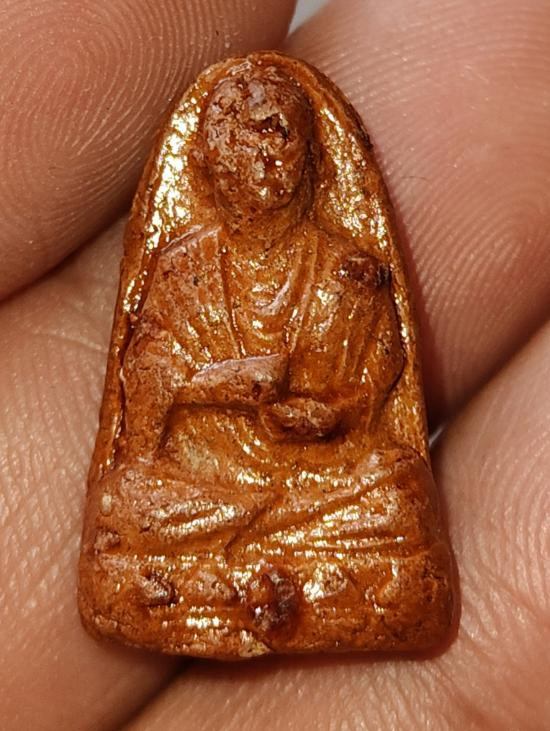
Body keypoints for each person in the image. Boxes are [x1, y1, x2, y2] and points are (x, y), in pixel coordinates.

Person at [1, 0, 548, 727]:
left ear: (311, 159)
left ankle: (233, 565)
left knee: (397, 488)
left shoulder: (346, 271)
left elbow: (379, 381)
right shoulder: (184, 268)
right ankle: (256, 551)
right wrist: (216, 385)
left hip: (320, 480)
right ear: (213, 163)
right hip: (207, 478)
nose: (265, 164)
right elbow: (146, 391)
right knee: (120, 507)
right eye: (244, 145)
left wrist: (333, 414)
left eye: (280, 140)